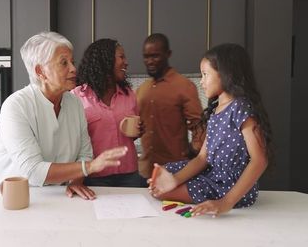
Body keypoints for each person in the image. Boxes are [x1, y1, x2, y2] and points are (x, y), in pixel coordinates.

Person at [0, 32, 128, 200]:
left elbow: (84, 153)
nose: (73, 68)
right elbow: (34, 170)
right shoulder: (16, 106)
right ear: (41, 71)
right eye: (64, 63)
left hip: (47, 196)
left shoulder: (75, 103)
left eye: (72, 62)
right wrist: (90, 167)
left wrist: (76, 180)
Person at [149, 43, 273, 217]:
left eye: (205, 74)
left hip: (229, 185)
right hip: (213, 175)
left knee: (160, 193)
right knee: (165, 176)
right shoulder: (216, 111)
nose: (201, 81)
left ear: (225, 74)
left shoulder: (241, 108)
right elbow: (202, 158)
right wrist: (173, 180)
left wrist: (226, 203)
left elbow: (260, 160)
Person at [71, 39, 145, 187]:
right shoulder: (76, 97)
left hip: (129, 174)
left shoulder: (129, 94)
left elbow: (133, 132)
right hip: (94, 176)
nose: (126, 62)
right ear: (105, 60)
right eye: (121, 57)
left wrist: (139, 130)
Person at [136, 33, 204, 178]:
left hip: (175, 171)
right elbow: (137, 125)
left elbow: (199, 125)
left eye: (155, 56)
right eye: (146, 57)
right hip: (145, 171)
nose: (150, 61)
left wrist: (193, 150)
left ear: (168, 54)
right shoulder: (142, 90)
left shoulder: (184, 86)